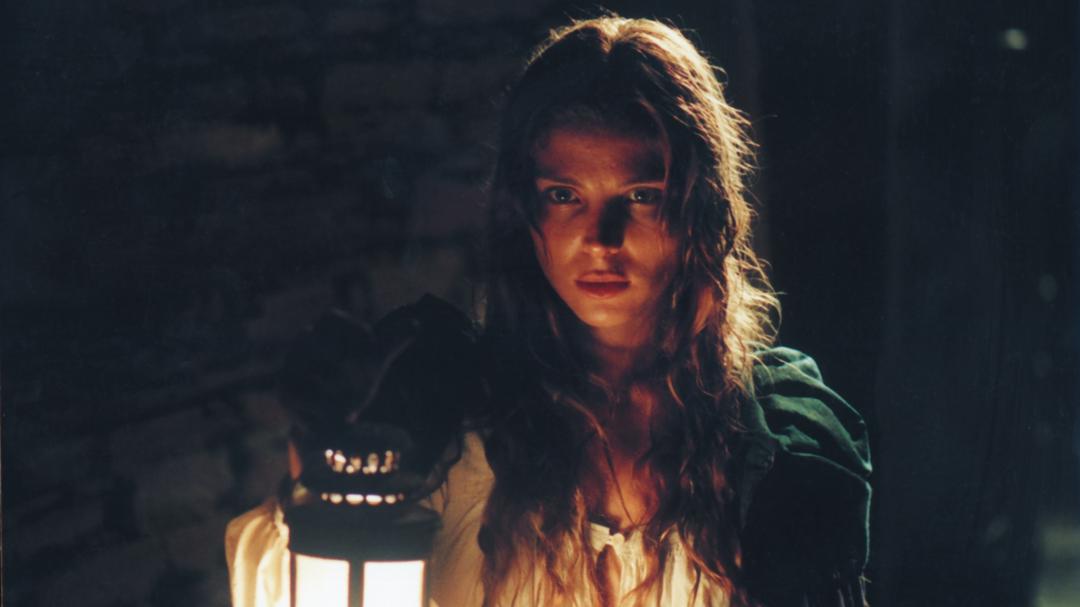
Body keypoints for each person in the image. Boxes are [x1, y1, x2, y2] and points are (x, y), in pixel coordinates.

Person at [226, 15, 871, 607]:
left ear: (696, 212)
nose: (601, 239)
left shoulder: (768, 452)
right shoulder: (458, 434)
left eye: (640, 196)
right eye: (565, 196)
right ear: (524, 213)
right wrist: (318, 474)